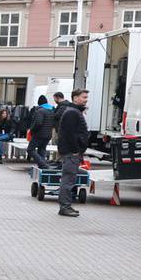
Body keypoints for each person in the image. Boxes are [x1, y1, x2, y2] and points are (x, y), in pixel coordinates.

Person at [54, 88, 91, 217]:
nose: (86, 100)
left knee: (70, 179)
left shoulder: (74, 111)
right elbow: (69, 134)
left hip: (71, 151)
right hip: (71, 152)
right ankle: (65, 207)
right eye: (83, 97)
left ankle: (66, 206)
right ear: (75, 98)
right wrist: (75, 150)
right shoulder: (72, 113)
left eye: (86, 98)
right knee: (68, 180)